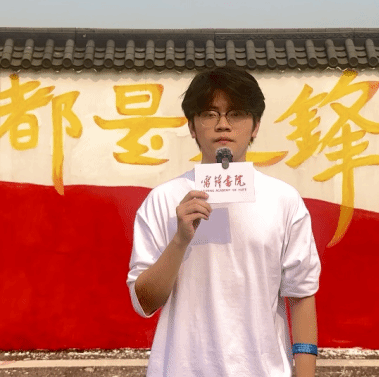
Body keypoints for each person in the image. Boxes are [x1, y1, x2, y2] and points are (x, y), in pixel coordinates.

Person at [127, 68, 321, 376]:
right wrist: (180, 240)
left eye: (237, 113)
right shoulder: (163, 200)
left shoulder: (284, 200)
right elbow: (144, 302)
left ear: (256, 125)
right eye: (209, 114)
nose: (223, 124)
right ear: (192, 126)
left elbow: (301, 294)